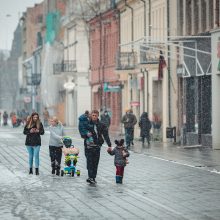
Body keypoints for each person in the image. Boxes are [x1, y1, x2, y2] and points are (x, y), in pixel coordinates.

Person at [78, 109, 112, 184]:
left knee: (95, 163)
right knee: (89, 162)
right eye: (93, 115)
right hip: (88, 146)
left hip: (97, 146)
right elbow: (82, 132)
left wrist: (109, 145)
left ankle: (93, 177)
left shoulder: (101, 125)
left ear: (97, 116)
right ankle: (90, 177)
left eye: (95, 115)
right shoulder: (87, 124)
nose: (94, 117)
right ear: (91, 115)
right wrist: (86, 134)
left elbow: (106, 135)